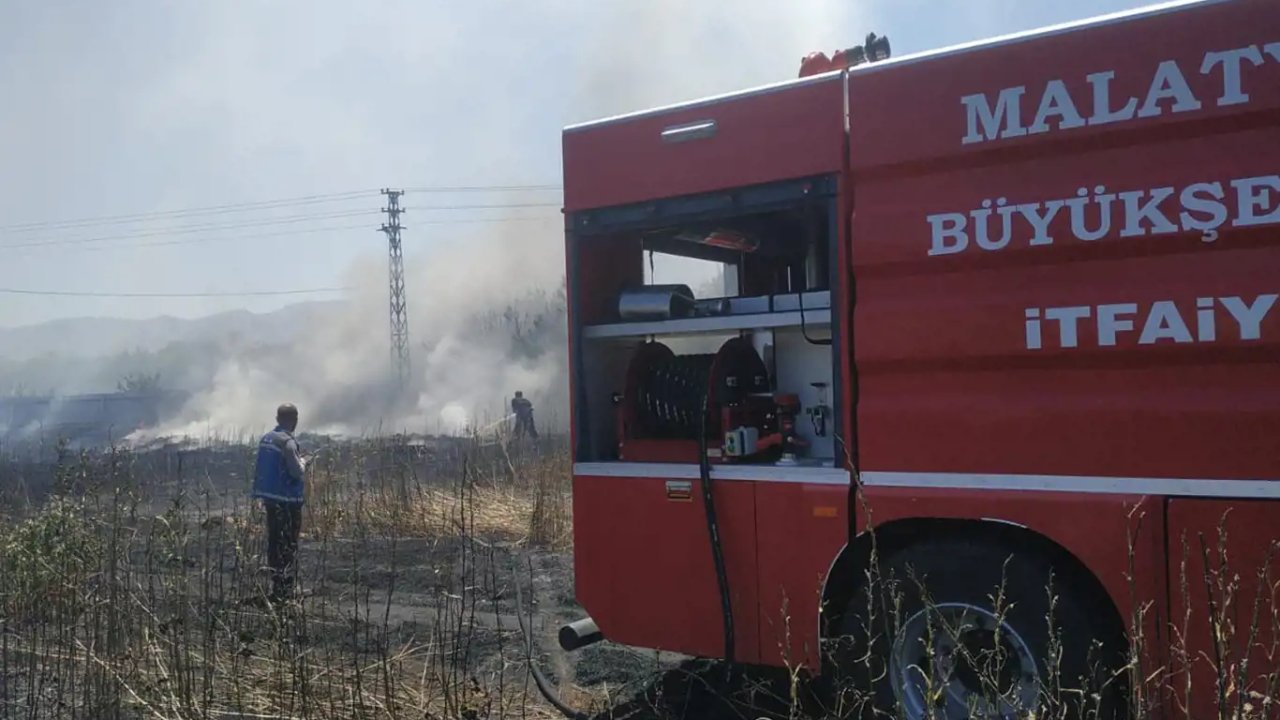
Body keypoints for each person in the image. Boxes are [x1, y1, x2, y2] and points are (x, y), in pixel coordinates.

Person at [252, 403, 307, 602]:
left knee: (274, 542)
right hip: (287, 502)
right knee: (288, 543)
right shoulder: (287, 443)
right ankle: (285, 588)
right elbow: (296, 471)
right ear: (294, 420)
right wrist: (304, 463)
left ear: (277, 419)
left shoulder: (267, 439)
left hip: (271, 499)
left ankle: (276, 583)